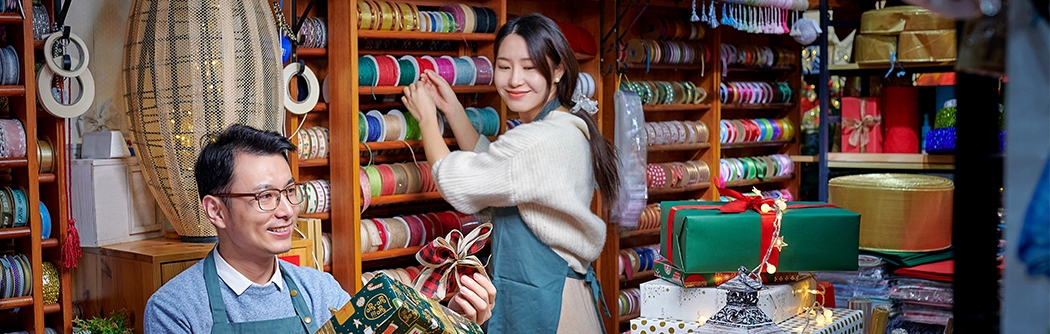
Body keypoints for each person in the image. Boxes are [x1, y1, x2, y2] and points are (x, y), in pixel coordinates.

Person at [143, 124, 495, 333]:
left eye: (290, 192)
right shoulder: (176, 309)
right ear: (216, 210)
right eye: (266, 196)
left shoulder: (321, 291)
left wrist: (450, 321)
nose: (286, 211)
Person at [401, 13, 620, 334]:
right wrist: (454, 110)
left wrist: (428, 121)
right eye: (504, 66)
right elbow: (504, 172)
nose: (515, 79)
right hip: (561, 298)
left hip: (547, 307)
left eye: (529, 67)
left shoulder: (538, 139)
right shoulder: (566, 125)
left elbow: (456, 182)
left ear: (558, 69)